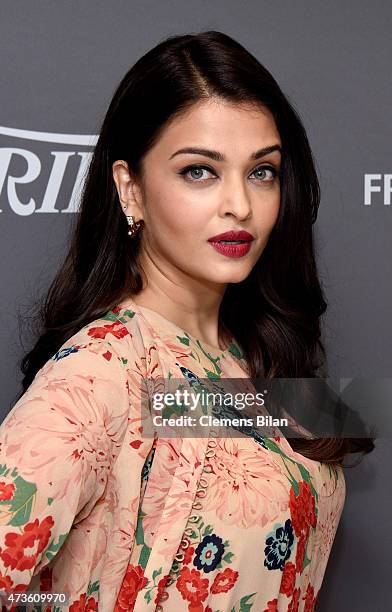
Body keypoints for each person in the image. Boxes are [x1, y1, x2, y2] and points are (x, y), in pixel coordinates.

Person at [0, 30, 374, 612]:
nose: (240, 206)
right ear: (131, 190)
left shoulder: (253, 354)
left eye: (262, 171)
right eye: (199, 171)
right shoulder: (101, 372)